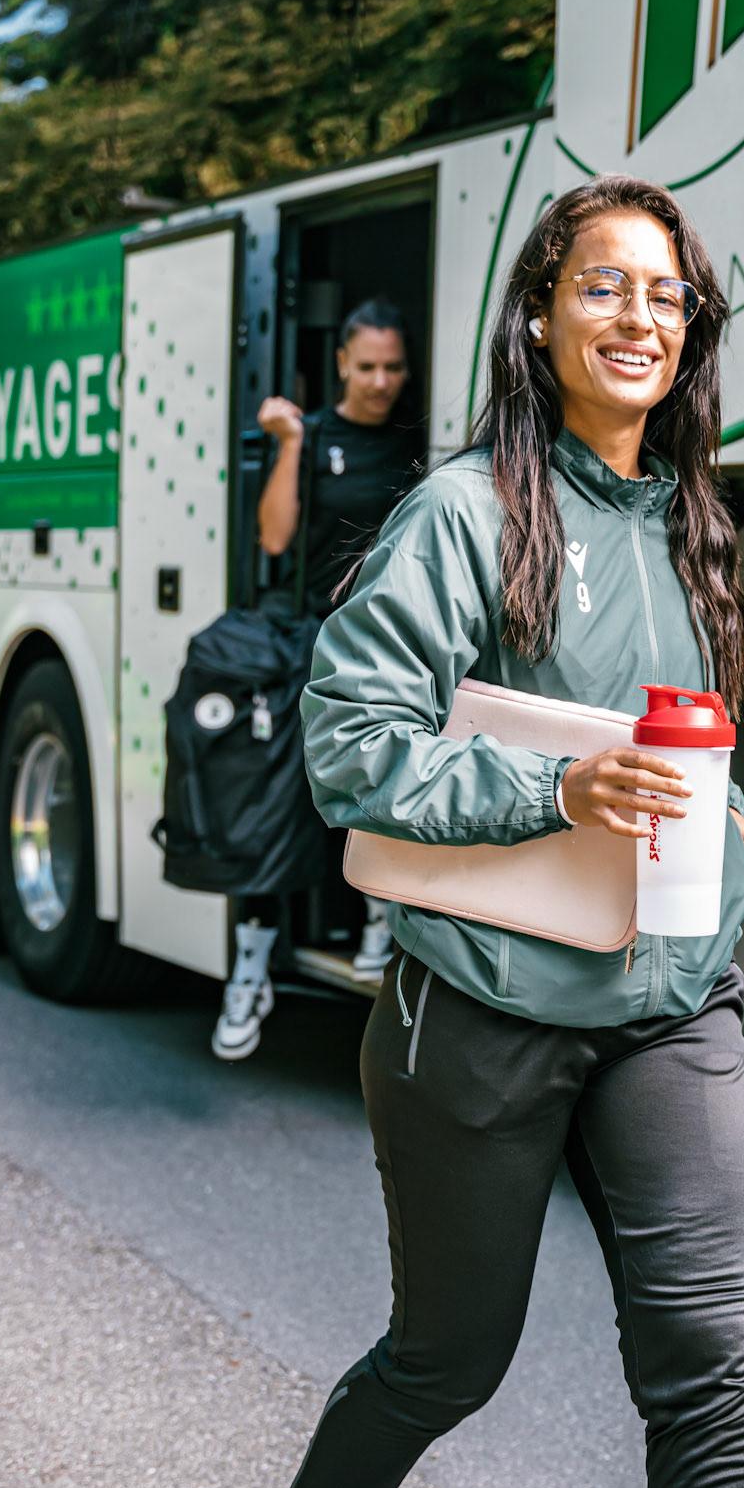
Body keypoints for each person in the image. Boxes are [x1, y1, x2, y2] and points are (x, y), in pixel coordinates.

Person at [246, 178, 744, 1488]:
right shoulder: (460, 513)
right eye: (606, 286)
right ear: (540, 316)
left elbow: (713, 728)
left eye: (668, 296)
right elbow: (351, 748)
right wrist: (548, 787)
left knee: (707, 1368)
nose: (639, 319)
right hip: (480, 1011)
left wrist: (725, 825)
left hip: (668, 1006)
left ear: (691, 334)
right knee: (452, 1352)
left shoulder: (694, 520)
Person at [211, 298, 420, 1061]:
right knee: (281, 799)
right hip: (314, 642)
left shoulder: (416, 441)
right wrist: (293, 442)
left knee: (380, 782)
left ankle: (375, 919)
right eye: (366, 367)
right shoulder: (317, 433)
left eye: (393, 367)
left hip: (391, 644)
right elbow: (273, 535)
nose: (380, 381)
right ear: (340, 364)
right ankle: (251, 969)